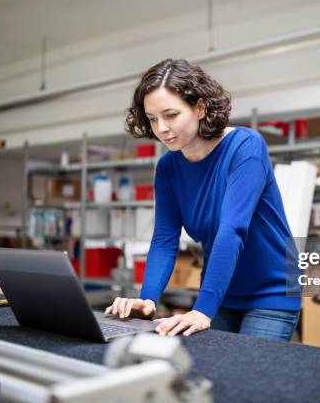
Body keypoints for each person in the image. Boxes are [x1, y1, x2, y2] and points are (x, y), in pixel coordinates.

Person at [104, 59, 301, 341]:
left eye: (171, 115)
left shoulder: (246, 147)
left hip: (271, 291)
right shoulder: (168, 168)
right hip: (223, 291)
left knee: (250, 377)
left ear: (200, 107)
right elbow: (164, 239)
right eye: (152, 118)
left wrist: (202, 310)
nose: (162, 128)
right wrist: (147, 301)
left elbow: (231, 230)